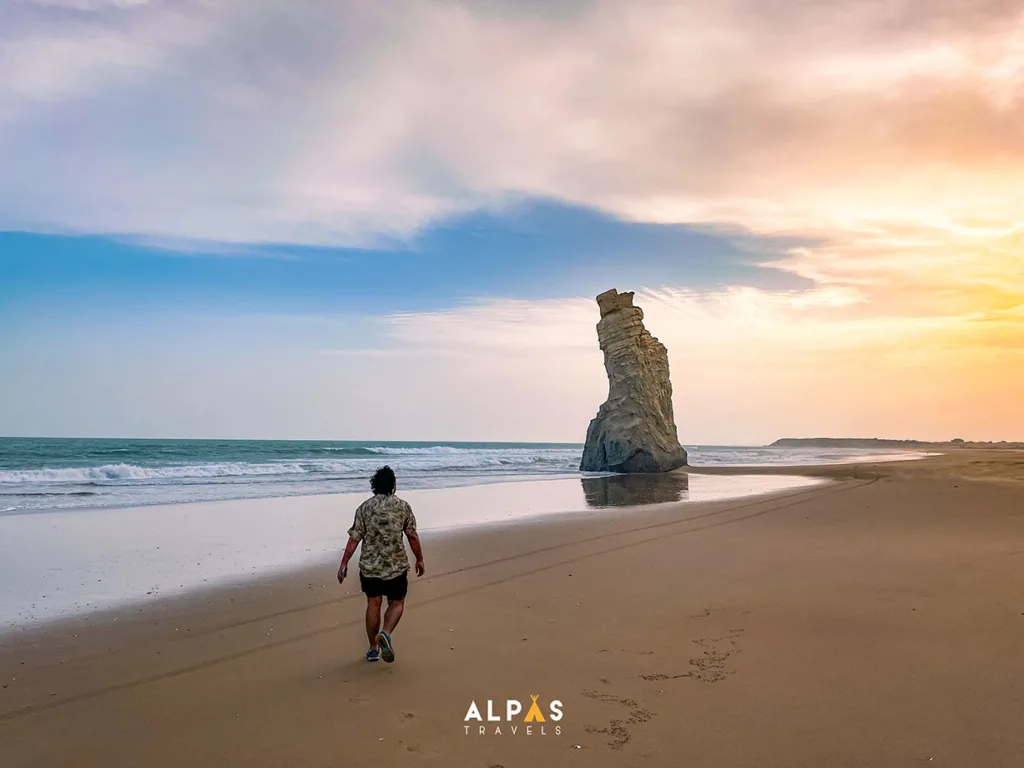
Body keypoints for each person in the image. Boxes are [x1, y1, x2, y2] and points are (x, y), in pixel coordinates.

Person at [337, 465, 425, 663]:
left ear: (375, 486)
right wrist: (419, 558)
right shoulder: (403, 506)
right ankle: (385, 633)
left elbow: (354, 539)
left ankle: (372, 649)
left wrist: (344, 563)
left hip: (370, 567)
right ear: (393, 486)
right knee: (397, 602)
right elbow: (411, 535)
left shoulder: (364, 508)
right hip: (396, 567)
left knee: (373, 603)